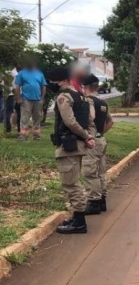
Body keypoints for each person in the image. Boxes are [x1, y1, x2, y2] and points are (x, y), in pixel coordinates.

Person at [47, 67, 98, 234]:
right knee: (73, 181)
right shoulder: (81, 96)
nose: (50, 84)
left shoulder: (64, 97)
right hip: (78, 146)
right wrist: (90, 137)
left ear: (61, 80)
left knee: (70, 183)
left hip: (69, 146)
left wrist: (85, 136)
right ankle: (77, 217)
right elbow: (91, 121)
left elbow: (70, 122)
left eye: (52, 81)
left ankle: (79, 221)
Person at [81, 74, 114, 213]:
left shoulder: (87, 102)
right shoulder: (103, 103)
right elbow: (110, 122)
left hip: (91, 141)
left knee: (89, 172)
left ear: (85, 87)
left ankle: (94, 201)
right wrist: (100, 133)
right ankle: (102, 200)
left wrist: (90, 136)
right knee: (100, 172)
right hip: (101, 140)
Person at [14, 57, 47, 141]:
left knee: (37, 118)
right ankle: (23, 136)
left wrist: (42, 98)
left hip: (38, 100)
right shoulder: (21, 73)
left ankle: (36, 136)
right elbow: (17, 86)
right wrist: (19, 98)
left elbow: (43, 87)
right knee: (25, 119)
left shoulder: (39, 73)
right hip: (25, 99)